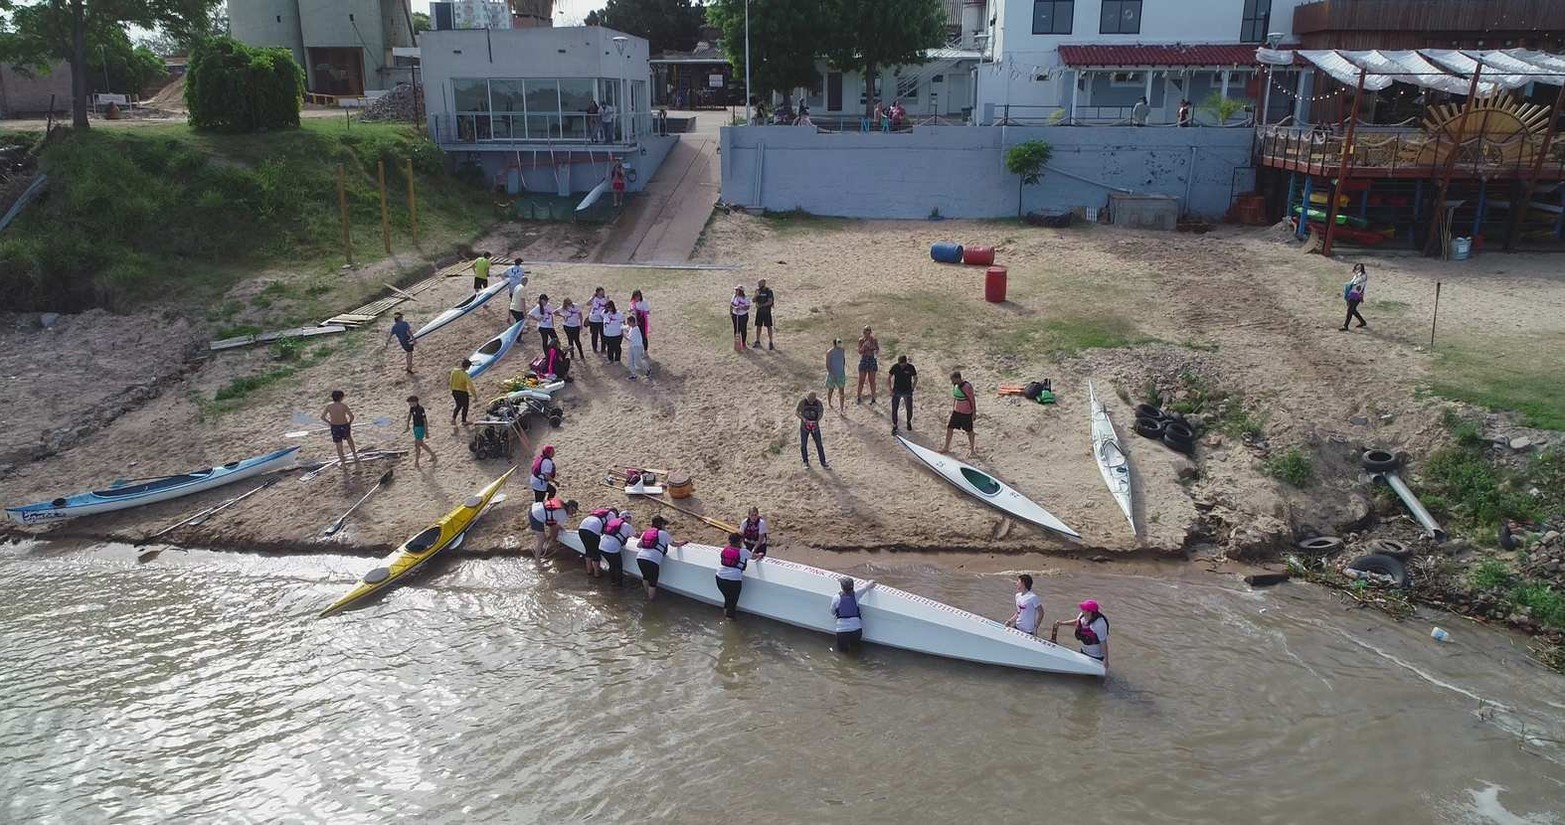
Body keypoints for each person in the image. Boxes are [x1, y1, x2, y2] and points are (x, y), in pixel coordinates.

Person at [636, 515, 686, 600]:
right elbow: (674, 544)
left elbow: (638, 545)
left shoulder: (646, 532)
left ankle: (646, 595)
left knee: (645, 577)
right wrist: (684, 542)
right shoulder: (664, 533)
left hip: (640, 558)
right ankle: (650, 602)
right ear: (661, 524)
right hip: (652, 560)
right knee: (653, 583)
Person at [1053, 599, 1110, 665]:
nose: (1081, 609)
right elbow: (1077, 622)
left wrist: (1106, 660)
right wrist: (1062, 623)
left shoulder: (1099, 624)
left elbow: (1103, 642)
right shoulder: (1083, 614)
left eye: (1083, 608)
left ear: (1089, 611)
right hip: (1084, 650)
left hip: (1095, 656)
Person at [528, 497, 579, 564]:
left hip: (534, 507)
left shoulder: (562, 507)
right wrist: (553, 539)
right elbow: (554, 529)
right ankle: (537, 561)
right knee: (542, 539)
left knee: (544, 536)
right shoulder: (563, 514)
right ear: (569, 507)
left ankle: (539, 552)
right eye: (573, 510)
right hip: (535, 515)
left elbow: (553, 521)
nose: (574, 513)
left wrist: (558, 528)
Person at [714, 531, 753, 619]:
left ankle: (725, 616)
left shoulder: (725, 549)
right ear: (740, 541)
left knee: (727, 599)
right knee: (732, 602)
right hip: (733, 580)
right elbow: (754, 556)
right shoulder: (743, 551)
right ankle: (729, 622)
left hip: (719, 577)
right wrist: (760, 554)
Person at [832, 577, 877, 652]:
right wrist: (871, 582)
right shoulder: (856, 595)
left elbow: (832, 611)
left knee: (843, 653)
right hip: (856, 630)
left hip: (842, 632)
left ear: (842, 587)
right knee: (856, 650)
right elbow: (866, 587)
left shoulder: (836, 598)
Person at [942, 370, 978, 456]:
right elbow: (956, 398)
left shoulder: (967, 387)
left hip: (966, 413)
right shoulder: (956, 386)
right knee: (950, 428)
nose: (952, 382)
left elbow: (972, 400)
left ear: (958, 378)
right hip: (956, 412)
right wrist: (953, 407)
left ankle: (972, 451)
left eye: (953, 380)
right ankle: (946, 447)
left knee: (969, 431)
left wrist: (974, 413)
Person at [576, 505, 618, 578]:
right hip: (592, 531)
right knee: (596, 552)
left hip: (582, 528)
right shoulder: (612, 514)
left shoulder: (599, 513)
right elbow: (612, 528)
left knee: (588, 550)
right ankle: (597, 574)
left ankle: (589, 571)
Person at [320, 390, 359, 467]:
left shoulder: (329, 406)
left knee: (338, 444)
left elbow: (322, 417)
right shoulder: (343, 406)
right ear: (341, 397)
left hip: (335, 426)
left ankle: (343, 463)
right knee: (349, 439)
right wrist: (349, 423)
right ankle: (355, 455)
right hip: (344, 425)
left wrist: (330, 423)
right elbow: (352, 416)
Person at [598, 509, 635, 587]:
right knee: (618, 566)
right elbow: (635, 536)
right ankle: (619, 585)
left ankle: (613, 581)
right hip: (612, 549)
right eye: (629, 518)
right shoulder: (627, 526)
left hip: (601, 546)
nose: (630, 520)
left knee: (612, 564)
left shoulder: (612, 522)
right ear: (626, 518)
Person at [797, 391, 828, 468]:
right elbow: (797, 412)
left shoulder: (818, 403)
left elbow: (821, 412)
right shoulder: (802, 402)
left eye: (811, 400)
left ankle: (823, 462)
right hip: (804, 427)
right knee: (803, 444)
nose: (810, 401)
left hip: (815, 427)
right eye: (809, 400)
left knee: (819, 444)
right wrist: (803, 419)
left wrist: (817, 420)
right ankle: (805, 462)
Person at [888, 354, 917, 434]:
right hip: (896, 390)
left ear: (906, 362)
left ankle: (908, 422)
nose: (902, 365)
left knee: (909, 408)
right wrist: (890, 389)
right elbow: (889, 378)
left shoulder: (911, 367)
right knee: (894, 408)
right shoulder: (895, 367)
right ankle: (894, 425)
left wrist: (913, 387)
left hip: (907, 391)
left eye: (903, 364)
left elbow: (915, 378)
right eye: (901, 364)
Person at [404, 395, 435, 469]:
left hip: (420, 428)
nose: (409, 404)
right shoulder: (412, 408)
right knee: (420, 444)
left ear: (415, 402)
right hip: (415, 428)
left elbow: (425, 420)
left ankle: (416, 462)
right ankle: (432, 455)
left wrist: (426, 432)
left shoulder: (421, 409)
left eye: (410, 403)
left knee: (417, 445)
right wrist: (407, 425)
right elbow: (409, 416)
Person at [856, 326, 880, 404]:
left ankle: (873, 398)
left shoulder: (874, 340)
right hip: (864, 359)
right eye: (865, 332)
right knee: (861, 380)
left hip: (872, 359)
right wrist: (864, 345)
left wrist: (872, 347)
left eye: (868, 332)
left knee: (872, 380)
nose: (867, 334)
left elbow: (877, 350)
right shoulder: (861, 340)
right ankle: (858, 397)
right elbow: (859, 351)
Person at [1341, 263, 1368, 331]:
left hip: (1356, 295)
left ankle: (1345, 326)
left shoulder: (1363, 276)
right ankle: (1362, 322)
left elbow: (1354, 283)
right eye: (1357, 268)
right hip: (1352, 294)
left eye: (1359, 268)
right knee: (1352, 310)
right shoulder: (1357, 276)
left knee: (1350, 310)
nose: (1358, 269)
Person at [824, 338, 848, 413]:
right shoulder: (829, 352)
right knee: (830, 389)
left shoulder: (842, 350)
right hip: (832, 374)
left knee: (841, 391)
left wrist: (842, 369)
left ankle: (841, 408)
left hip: (840, 374)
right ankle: (829, 403)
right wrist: (831, 373)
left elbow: (843, 360)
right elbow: (827, 365)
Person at [625, 312, 650, 380]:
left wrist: (623, 335)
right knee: (630, 362)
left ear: (632, 322)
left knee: (637, 362)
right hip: (632, 347)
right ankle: (634, 375)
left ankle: (647, 369)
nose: (628, 324)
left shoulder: (635, 329)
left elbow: (629, 339)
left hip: (637, 347)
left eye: (628, 322)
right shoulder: (632, 328)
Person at [450, 359, 475, 425]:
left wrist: (451, 389)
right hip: (463, 392)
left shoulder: (454, 371)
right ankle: (464, 421)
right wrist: (475, 396)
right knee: (465, 406)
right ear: (467, 367)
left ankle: (453, 418)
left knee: (458, 405)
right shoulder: (465, 375)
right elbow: (471, 387)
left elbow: (451, 380)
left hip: (454, 391)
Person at [752, 278, 775, 350]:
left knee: (769, 326)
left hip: (766, 311)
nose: (758, 284)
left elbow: (770, 302)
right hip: (759, 312)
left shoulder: (769, 291)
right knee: (758, 326)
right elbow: (753, 300)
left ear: (764, 283)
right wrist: (756, 295)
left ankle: (771, 342)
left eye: (760, 283)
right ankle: (757, 341)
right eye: (758, 283)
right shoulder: (758, 291)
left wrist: (761, 305)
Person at [730, 285, 751, 353]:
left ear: (741, 291)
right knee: (736, 329)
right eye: (736, 290)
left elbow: (747, 307)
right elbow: (732, 304)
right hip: (735, 315)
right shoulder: (734, 296)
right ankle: (737, 343)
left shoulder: (746, 298)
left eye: (737, 290)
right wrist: (733, 309)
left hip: (743, 316)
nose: (736, 291)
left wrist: (740, 308)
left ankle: (744, 343)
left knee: (743, 329)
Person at [588, 287, 609, 355]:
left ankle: (603, 349)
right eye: (600, 293)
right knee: (594, 335)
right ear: (597, 293)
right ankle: (594, 348)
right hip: (593, 319)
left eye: (602, 293)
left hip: (602, 320)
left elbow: (609, 306)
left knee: (603, 335)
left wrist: (607, 300)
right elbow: (587, 303)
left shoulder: (605, 298)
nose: (601, 294)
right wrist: (592, 297)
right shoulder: (594, 298)